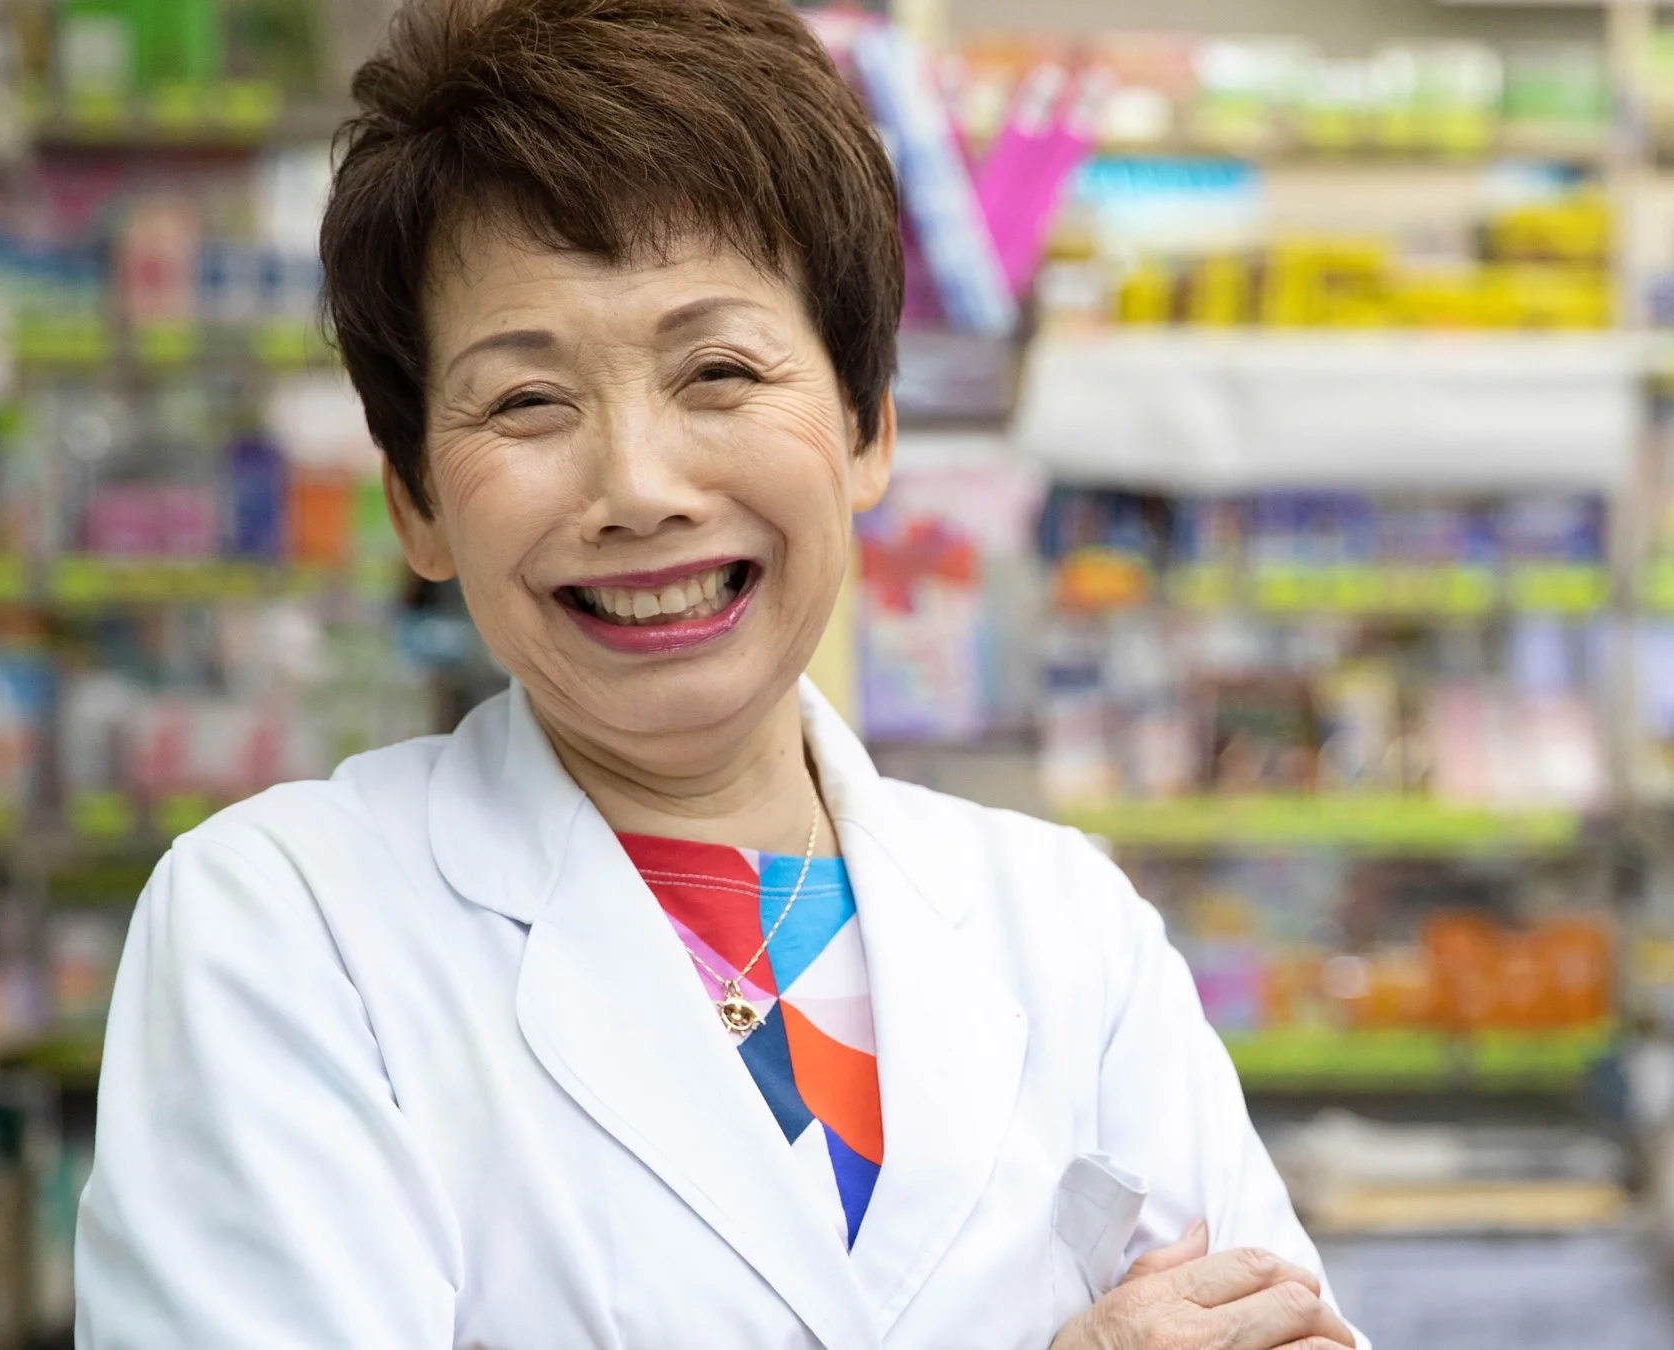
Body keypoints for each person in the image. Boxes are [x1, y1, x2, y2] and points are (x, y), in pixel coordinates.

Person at [73, 1, 1367, 1346]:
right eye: (527, 400)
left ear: (867, 428)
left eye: (718, 371)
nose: (639, 487)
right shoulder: (287, 926)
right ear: (417, 503)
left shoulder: (1066, 931)